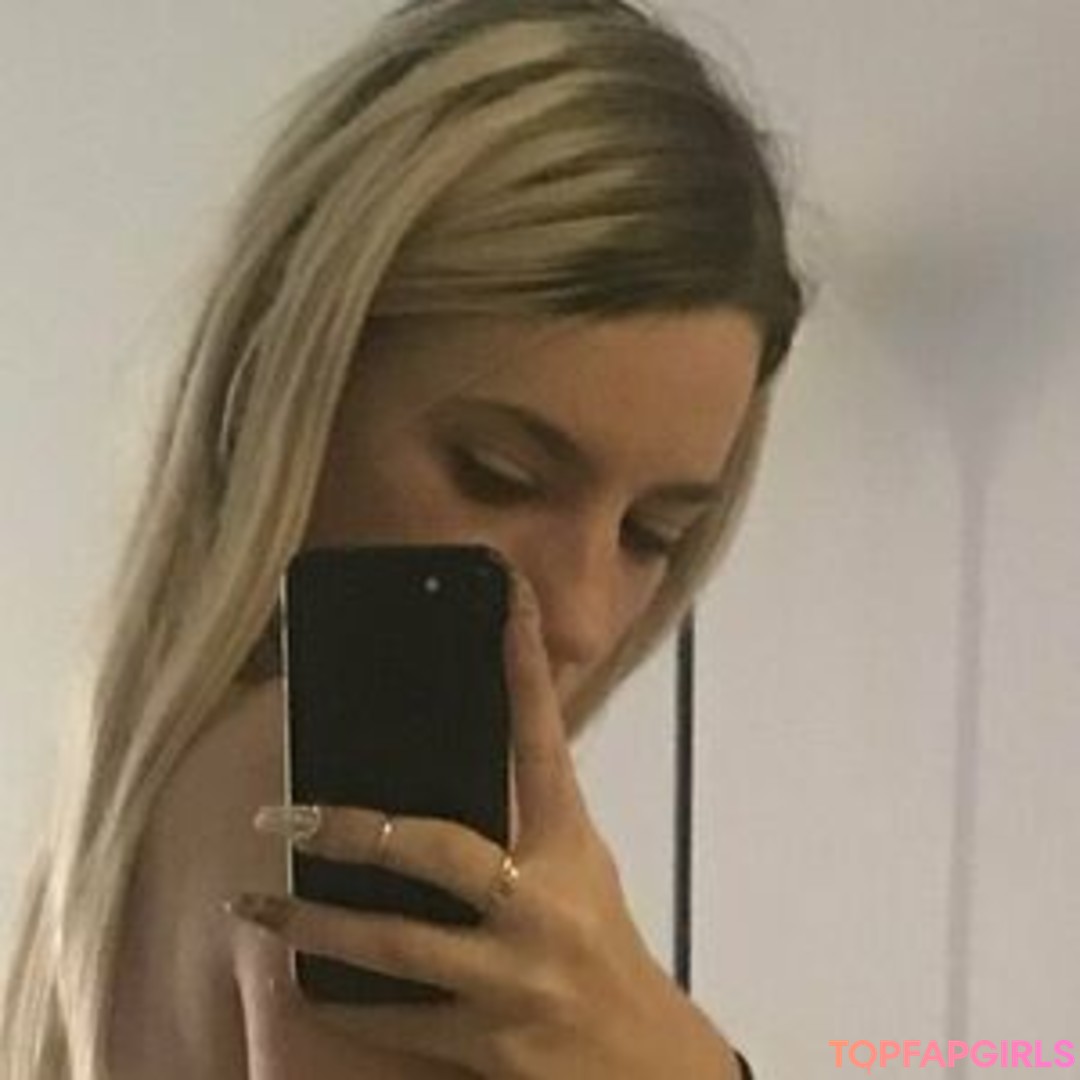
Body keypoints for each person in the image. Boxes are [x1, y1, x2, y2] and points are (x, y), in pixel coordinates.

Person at [0, 1, 805, 1076]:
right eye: (499, 476)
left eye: (651, 534)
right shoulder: (350, 818)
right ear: (296, 388)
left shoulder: (155, 796)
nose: (580, 615)